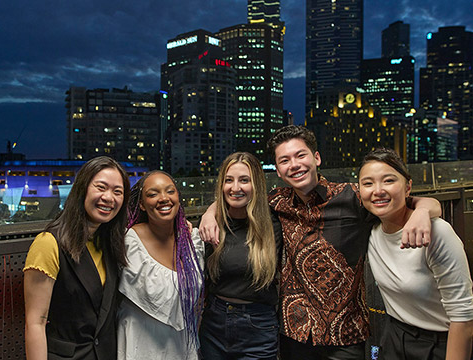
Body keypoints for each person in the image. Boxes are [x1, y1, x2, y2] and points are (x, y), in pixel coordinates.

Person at [199, 125, 442, 359]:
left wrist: (421, 212)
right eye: (284, 161)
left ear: (316, 158)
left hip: (345, 335)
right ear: (279, 170)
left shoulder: (352, 197)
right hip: (294, 334)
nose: (294, 165)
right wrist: (210, 213)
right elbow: (236, 196)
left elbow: (419, 202)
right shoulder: (276, 202)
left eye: (300, 155)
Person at [359, 148, 473, 360]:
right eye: (367, 183)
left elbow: (463, 319)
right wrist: (424, 207)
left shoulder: (437, 233)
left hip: (440, 343)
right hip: (393, 336)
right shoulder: (370, 227)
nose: (378, 190)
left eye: (389, 181)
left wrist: (422, 211)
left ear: (408, 187)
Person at [23, 156, 130, 360]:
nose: (109, 198)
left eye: (118, 192)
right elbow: (35, 323)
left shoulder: (109, 242)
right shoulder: (48, 243)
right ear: (82, 189)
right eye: (101, 187)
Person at [199, 152, 281, 360]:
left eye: (244, 180)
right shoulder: (213, 225)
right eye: (229, 180)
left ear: (257, 185)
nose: (235, 188)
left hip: (259, 327)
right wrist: (210, 213)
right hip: (213, 324)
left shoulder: (274, 223)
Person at [117, 170, 203, 360]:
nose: (164, 198)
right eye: (153, 194)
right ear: (141, 204)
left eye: (170, 191)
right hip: (140, 343)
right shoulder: (128, 242)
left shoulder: (192, 240)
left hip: (182, 345)